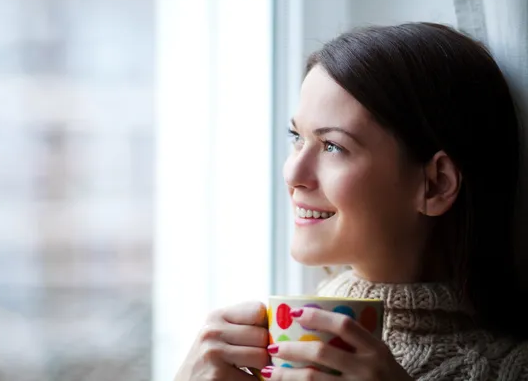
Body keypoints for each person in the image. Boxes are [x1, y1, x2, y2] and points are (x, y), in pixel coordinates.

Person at [174, 22, 528, 380]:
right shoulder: (269, 347)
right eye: (296, 137)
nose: (293, 173)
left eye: (332, 146)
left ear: (435, 184)